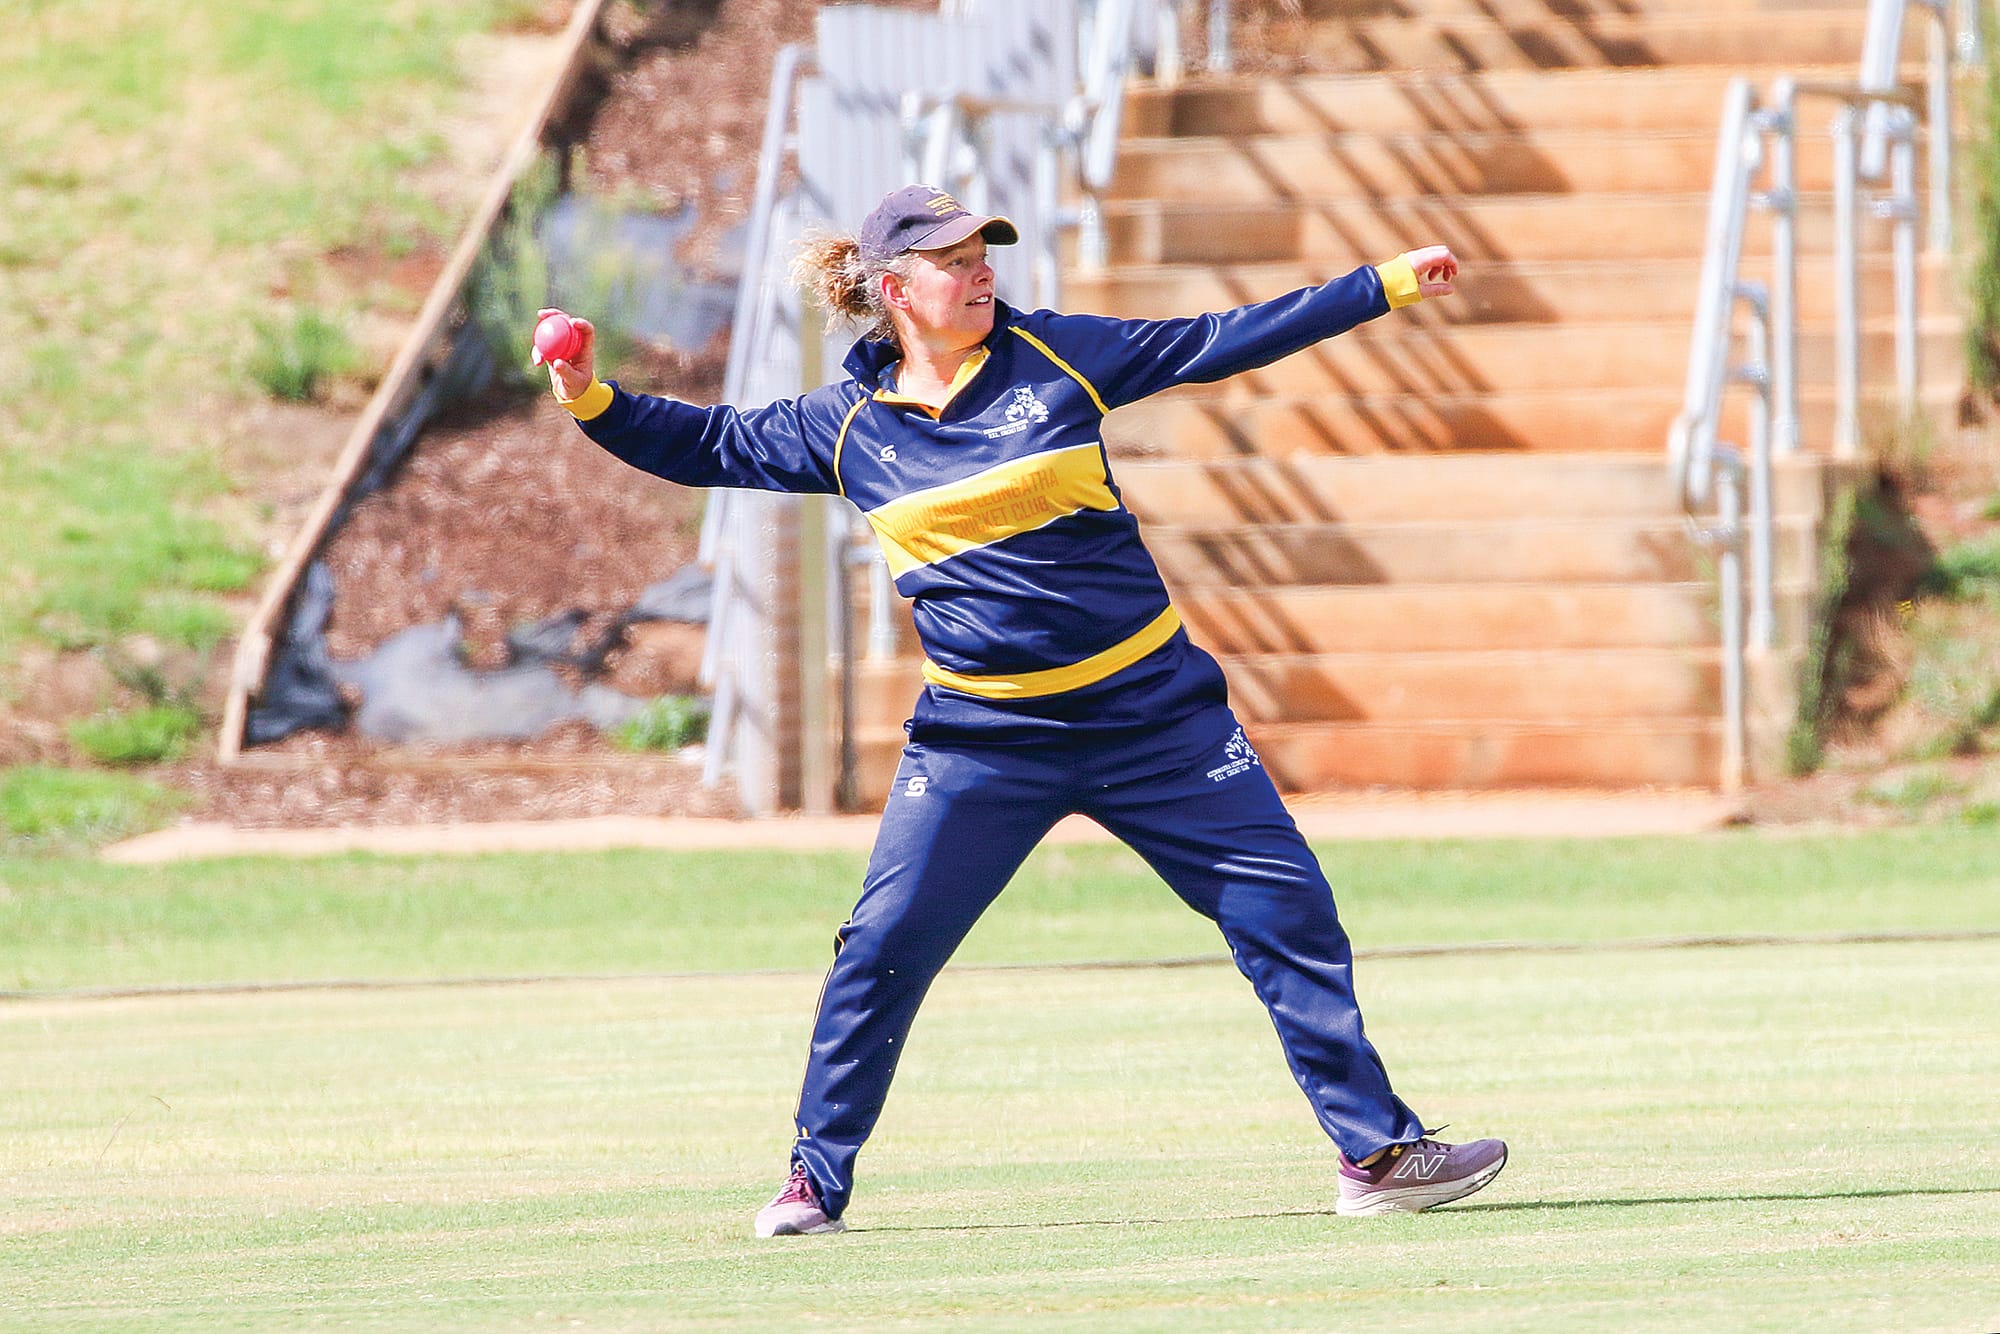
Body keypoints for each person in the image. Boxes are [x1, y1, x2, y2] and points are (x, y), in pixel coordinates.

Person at [540, 183, 1507, 1237]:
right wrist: (592, 394)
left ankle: (1375, 1152)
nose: (980, 271)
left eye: (982, 252)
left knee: (1286, 911)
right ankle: (814, 1181)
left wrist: (1383, 284)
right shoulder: (846, 424)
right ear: (894, 289)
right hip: (980, 741)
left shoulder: (1058, 357)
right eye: (953, 260)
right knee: (880, 947)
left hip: (1155, 719)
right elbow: (708, 443)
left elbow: (1216, 338)